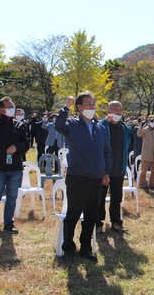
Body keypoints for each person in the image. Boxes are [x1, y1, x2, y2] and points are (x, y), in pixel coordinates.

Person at [55, 92, 111, 262]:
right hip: (78, 176)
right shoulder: (71, 124)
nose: (92, 107)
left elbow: (107, 152)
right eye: (88, 104)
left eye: (94, 104)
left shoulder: (100, 127)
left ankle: (85, 248)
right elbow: (58, 126)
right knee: (73, 213)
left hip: (96, 177)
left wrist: (106, 172)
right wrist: (65, 107)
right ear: (79, 107)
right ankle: (68, 247)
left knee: (91, 215)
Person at [0, 97, 30, 234]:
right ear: (2, 110)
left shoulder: (19, 125)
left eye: (12, 106)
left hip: (15, 167)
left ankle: (8, 223)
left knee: (12, 197)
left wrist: (17, 147)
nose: (12, 108)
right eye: (8, 106)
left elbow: (26, 143)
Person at [98, 101, 131, 233]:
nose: (117, 112)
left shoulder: (125, 128)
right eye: (114, 109)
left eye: (120, 110)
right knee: (100, 197)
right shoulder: (102, 126)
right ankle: (97, 223)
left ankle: (116, 222)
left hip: (118, 168)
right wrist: (106, 121)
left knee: (116, 197)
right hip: (103, 169)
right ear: (108, 110)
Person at [137, 115, 154, 190]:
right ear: (148, 122)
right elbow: (139, 135)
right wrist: (141, 126)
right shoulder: (145, 130)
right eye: (151, 121)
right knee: (144, 171)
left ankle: (152, 185)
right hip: (146, 154)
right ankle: (142, 184)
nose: (153, 123)